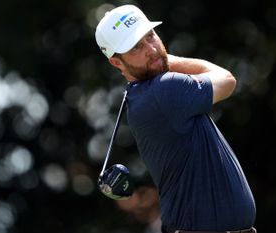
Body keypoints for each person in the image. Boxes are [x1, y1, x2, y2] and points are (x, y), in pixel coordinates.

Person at [95, 4, 256, 233]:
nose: (151, 49)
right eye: (136, 47)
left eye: (150, 36)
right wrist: (168, 59)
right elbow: (227, 79)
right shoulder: (164, 89)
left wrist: (157, 59)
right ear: (116, 62)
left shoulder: (145, 94)